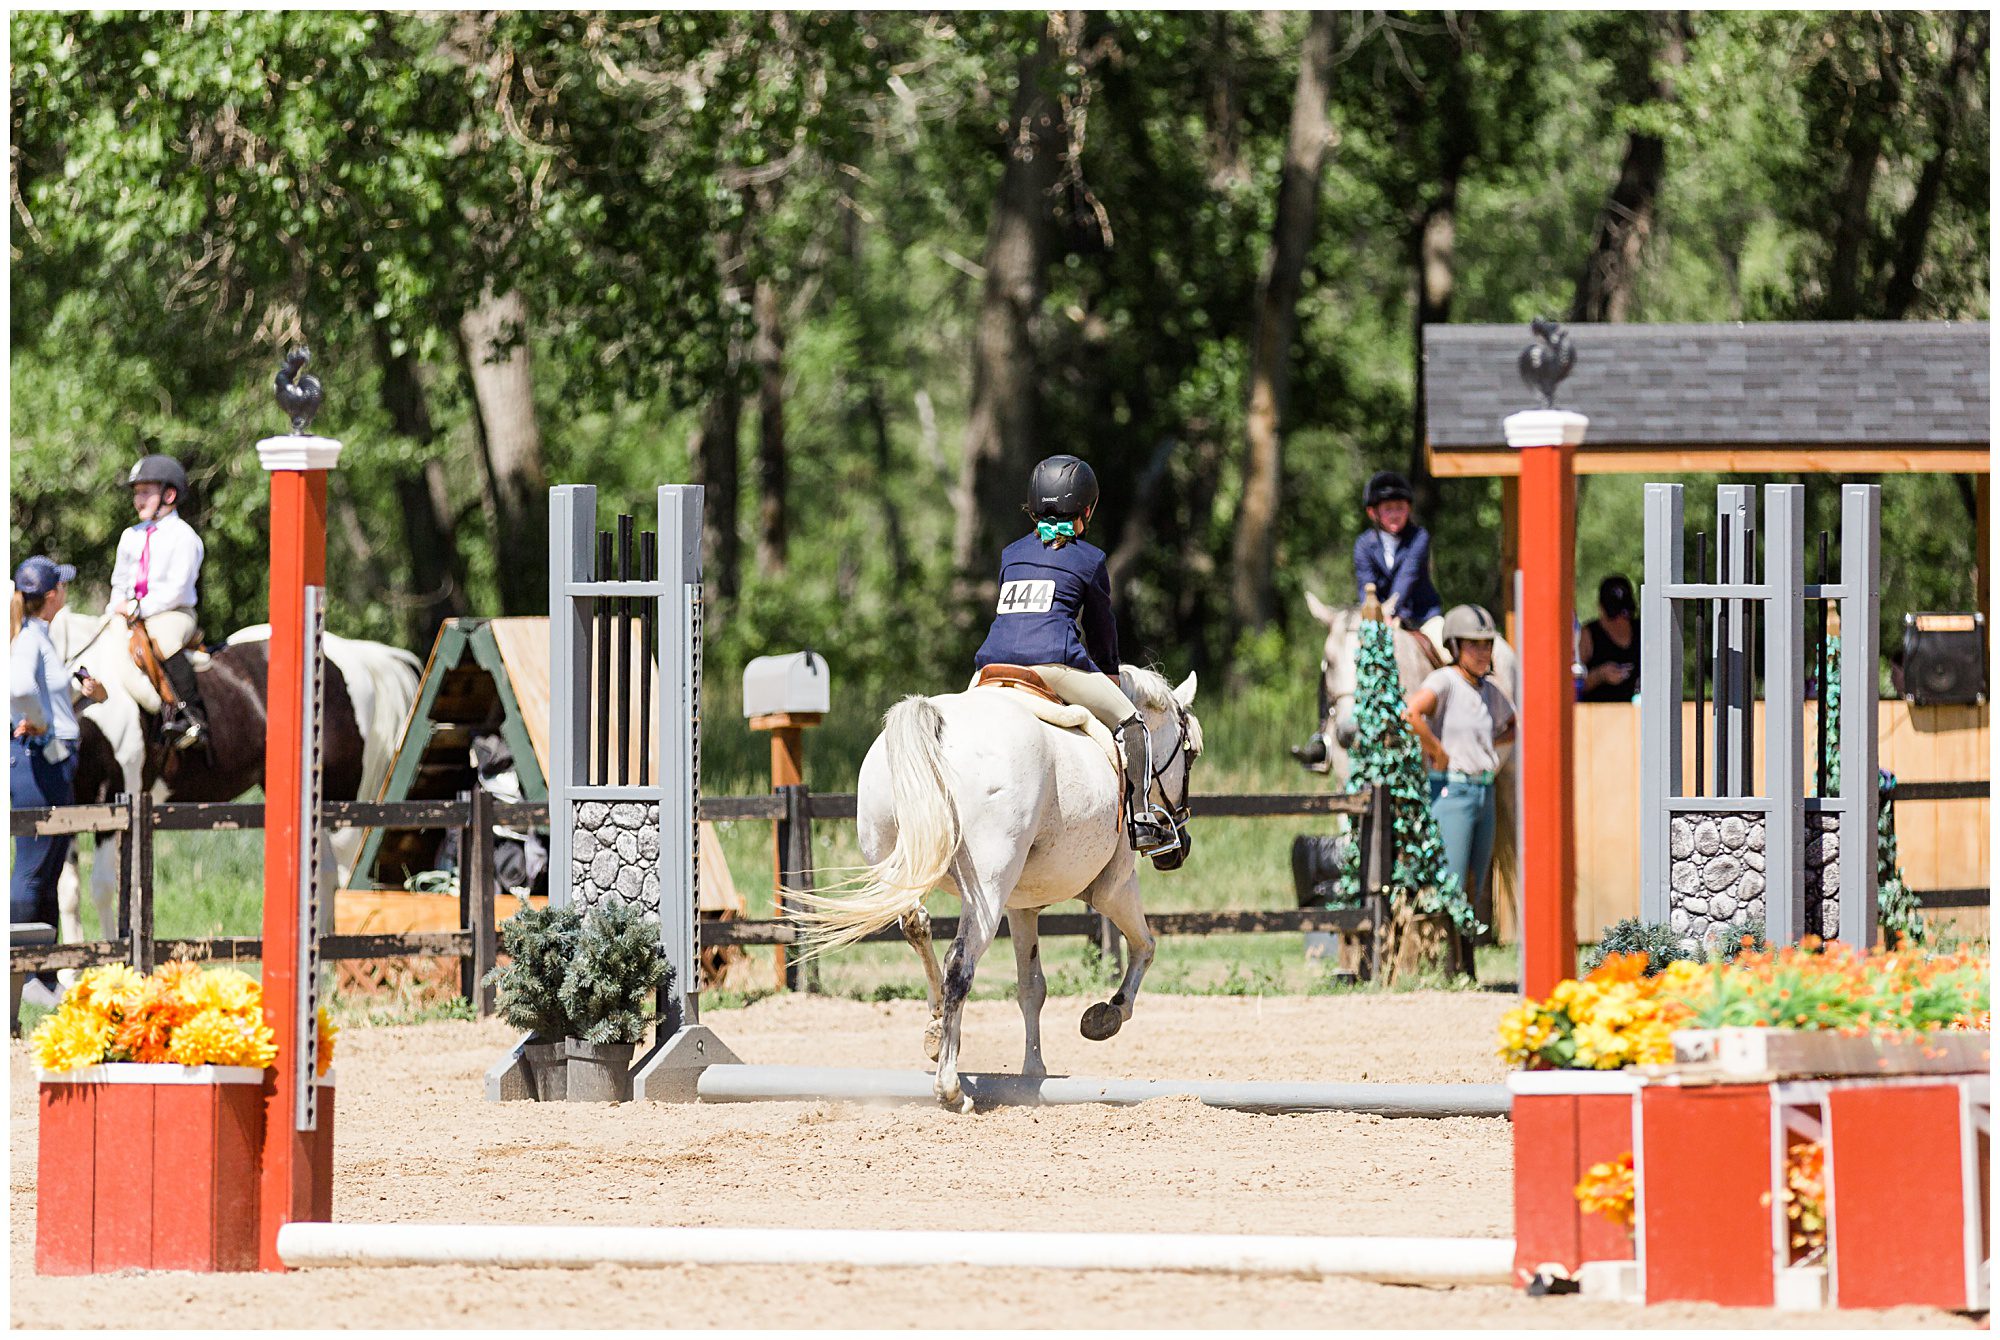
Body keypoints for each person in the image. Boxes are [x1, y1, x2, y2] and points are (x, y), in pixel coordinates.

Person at [972, 454, 1176, 856]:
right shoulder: (1090, 558)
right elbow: (1102, 632)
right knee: (1132, 723)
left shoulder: (1011, 553)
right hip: (1052, 664)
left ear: (1032, 505)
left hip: (992, 667)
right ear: (1087, 508)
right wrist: (1109, 675)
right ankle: (1139, 819)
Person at [12, 556, 105, 998]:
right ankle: (22, 975)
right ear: (52, 597)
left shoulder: (39, 636)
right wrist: (39, 721)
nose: (66, 593)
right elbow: (19, 689)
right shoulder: (30, 638)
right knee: (32, 870)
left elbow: (42, 691)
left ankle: (41, 975)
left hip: (53, 760)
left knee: (47, 870)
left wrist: (74, 691)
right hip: (40, 761)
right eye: (62, 588)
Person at [1403, 604, 1516, 917]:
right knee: (1451, 880)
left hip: (1484, 791)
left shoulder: (1489, 689)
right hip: (1452, 790)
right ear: (1454, 646)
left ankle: (1465, 958)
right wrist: (1436, 750)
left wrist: (1486, 746)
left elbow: (1513, 725)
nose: (1482, 653)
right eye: (1473, 645)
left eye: (1487, 645)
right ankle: (1447, 955)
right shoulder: (1445, 681)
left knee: (1475, 881)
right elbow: (1411, 713)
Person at [106, 453, 208, 748]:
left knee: (162, 639)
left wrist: (139, 608)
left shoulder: (184, 537)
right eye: (137, 493)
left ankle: (192, 716)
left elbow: (177, 589)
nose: (138, 500)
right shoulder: (131, 536)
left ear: (169, 494)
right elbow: (119, 581)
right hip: (132, 612)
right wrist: (119, 606)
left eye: (145, 493)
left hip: (173, 612)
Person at [1352, 470, 1445, 653]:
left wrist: (1389, 612)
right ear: (1372, 512)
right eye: (1388, 509)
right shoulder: (1363, 544)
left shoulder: (1419, 537)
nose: (1395, 514)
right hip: (1379, 619)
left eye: (1400, 508)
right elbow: (1366, 586)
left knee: (1445, 650)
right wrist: (1376, 615)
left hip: (1422, 618)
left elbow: (1406, 578)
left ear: (1408, 509)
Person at [1578, 574, 1641, 703]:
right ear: (1601, 609)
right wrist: (1600, 675)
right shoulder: (1589, 634)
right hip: (1596, 714)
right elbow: (1574, 685)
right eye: (1613, 614)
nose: (1619, 621)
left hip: (1637, 714)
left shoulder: (1643, 631)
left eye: (1624, 614)